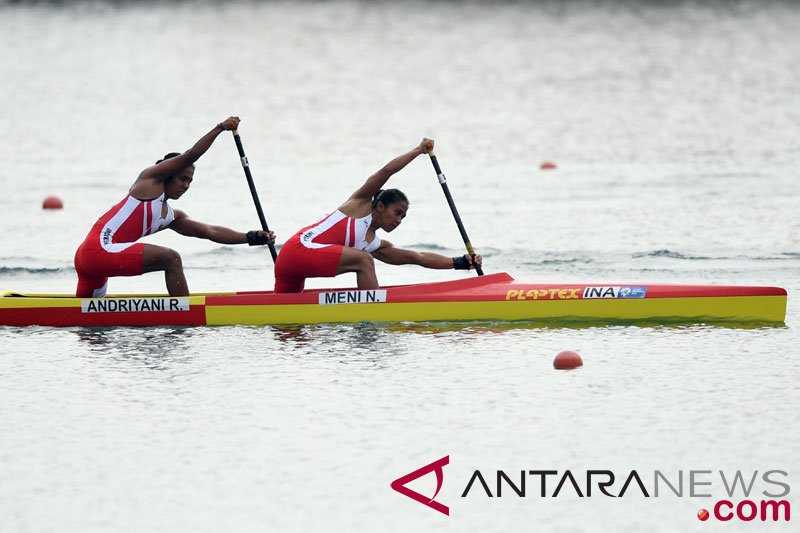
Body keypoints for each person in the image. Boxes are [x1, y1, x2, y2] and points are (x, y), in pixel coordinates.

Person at [74, 116, 275, 298]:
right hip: (99, 251)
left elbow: (210, 232)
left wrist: (253, 237)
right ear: (168, 173)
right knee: (172, 259)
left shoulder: (171, 216)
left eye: (189, 181)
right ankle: (185, 316)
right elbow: (191, 155)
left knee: (88, 325)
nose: (185, 186)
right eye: (182, 179)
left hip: (90, 262)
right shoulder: (148, 182)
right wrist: (220, 128)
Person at [274, 138, 482, 293]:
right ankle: (372, 316)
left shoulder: (373, 243)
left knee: (286, 323)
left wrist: (460, 263)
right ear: (380, 206)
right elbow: (386, 172)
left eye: (403, 217)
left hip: (289, 264)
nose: (399, 220)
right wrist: (418, 151)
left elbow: (416, 257)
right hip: (298, 248)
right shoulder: (359, 205)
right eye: (397, 213)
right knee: (364, 260)